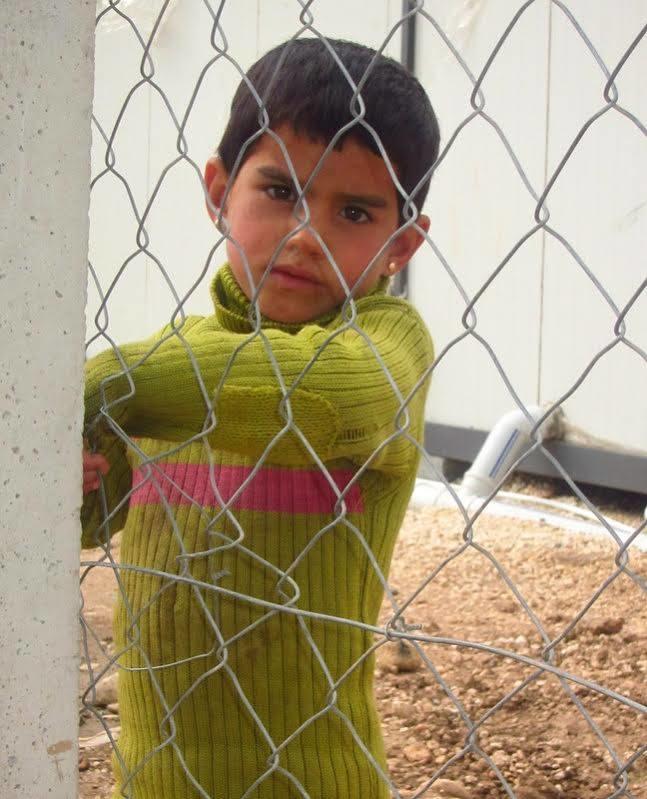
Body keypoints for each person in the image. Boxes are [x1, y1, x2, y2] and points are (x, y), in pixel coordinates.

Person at [81, 36, 440, 799]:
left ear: (400, 245)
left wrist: (95, 383)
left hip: (311, 784)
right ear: (218, 191)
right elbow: (88, 514)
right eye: (279, 192)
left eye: (352, 211)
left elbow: (327, 398)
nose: (306, 235)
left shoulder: (384, 347)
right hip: (153, 778)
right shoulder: (177, 363)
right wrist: (64, 479)